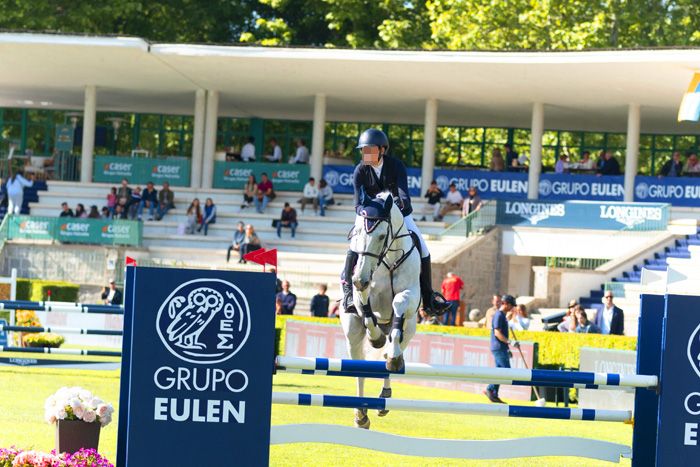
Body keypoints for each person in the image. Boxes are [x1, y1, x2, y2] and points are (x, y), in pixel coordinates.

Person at [341, 128, 450, 317]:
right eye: (363, 150)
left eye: (370, 149)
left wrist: (391, 208)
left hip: (398, 212)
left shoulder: (396, 166)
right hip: (369, 214)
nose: (365, 153)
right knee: (353, 246)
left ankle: (428, 297)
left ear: (382, 150)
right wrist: (370, 211)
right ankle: (349, 294)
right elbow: (358, 203)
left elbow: (404, 197)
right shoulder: (360, 170)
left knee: (423, 248)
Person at [484, 294, 516, 403]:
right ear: (505, 303)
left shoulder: (502, 315)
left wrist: (508, 348)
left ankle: (494, 394)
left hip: (501, 347)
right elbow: (497, 333)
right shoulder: (499, 315)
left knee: (500, 371)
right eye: (511, 305)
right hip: (498, 347)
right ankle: (490, 389)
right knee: (505, 370)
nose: (512, 308)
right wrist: (510, 342)